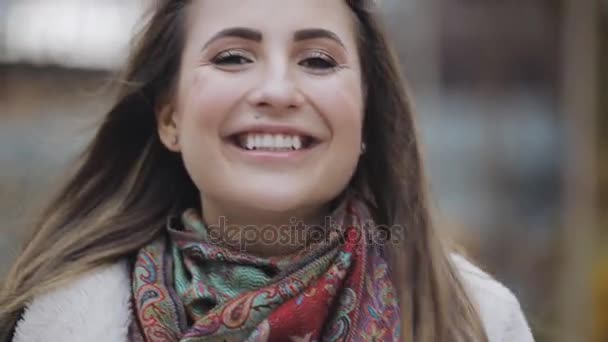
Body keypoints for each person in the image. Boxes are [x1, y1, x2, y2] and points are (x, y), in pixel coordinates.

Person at [0, 0, 534, 341]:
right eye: (233, 57)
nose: (277, 91)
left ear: (367, 116)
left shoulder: (481, 322)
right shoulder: (56, 322)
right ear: (170, 118)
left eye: (318, 60)